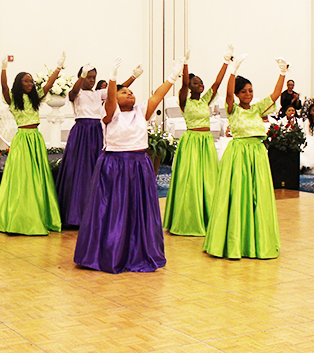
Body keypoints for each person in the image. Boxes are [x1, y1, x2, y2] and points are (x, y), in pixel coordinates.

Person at [73, 57, 181, 273]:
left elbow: (157, 96)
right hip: (114, 166)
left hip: (139, 166)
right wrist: (113, 78)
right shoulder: (108, 114)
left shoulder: (141, 112)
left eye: (130, 92)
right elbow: (111, 99)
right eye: (124, 92)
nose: (129, 94)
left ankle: (139, 252)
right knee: (113, 211)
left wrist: (172, 77)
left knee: (138, 211)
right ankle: (109, 253)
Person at [203, 54, 286, 260]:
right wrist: (233, 71)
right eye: (244, 91)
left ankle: (256, 239)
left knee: (258, 196)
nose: (248, 94)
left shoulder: (258, 108)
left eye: (250, 91)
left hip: (257, 154)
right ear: (238, 94)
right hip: (239, 154)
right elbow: (228, 94)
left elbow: (275, 95)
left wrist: (282, 73)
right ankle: (234, 240)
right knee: (238, 195)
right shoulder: (233, 109)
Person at [55, 63, 139, 227]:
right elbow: (72, 93)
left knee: (95, 170)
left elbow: (117, 90)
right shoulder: (76, 93)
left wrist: (134, 76)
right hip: (81, 133)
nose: (92, 80)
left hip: (96, 132)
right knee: (78, 170)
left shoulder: (98, 94)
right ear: (82, 77)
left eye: (94, 77)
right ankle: (74, 214)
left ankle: (95, 213)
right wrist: (81, 77)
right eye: (89, 77)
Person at [0, 55, 65, 235]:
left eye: (32, 81)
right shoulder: (12, 99)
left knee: (38, 176)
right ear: (19, 83)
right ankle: (20, 217)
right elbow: (3, 86)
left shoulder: (36, 97)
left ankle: (40, 214)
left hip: (36, 139)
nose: (31, 83)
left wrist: (58, 68)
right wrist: (3, 69)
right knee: (22, 177)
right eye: (27, 81)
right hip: (22, 139)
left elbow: (48, 85)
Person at [163, 47, 228, 236]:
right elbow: (183, 85)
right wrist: (185, 65)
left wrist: (226, 61)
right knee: (190, 180)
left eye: (200, 82)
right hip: (192, 141)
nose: (200, 85)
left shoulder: (204, 101)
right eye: (195, 83)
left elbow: (217, 84)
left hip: (206, 141)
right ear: (190, 87)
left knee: (208, 180)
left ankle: (208, 215)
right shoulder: (184, 100)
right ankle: (189, 217)